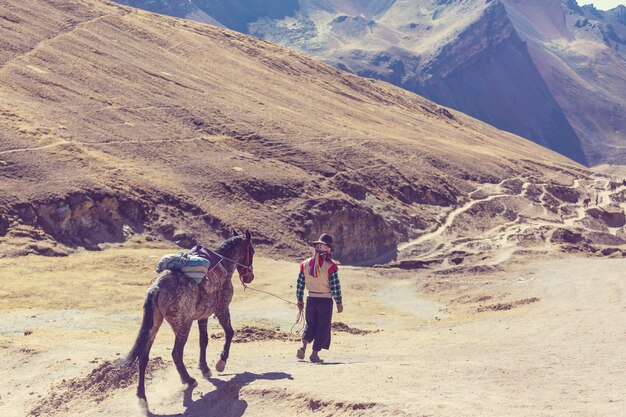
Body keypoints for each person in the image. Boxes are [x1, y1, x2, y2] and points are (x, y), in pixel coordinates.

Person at [295, 233, 343, 363]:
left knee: (310, 325)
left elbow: (300, 284)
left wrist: (299, 300)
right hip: (325, 301)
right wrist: (339, 302)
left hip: (311, 299)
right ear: (327, 249)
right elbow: (335, 286)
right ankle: (314, 354)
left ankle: (303, 346)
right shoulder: (331, 266)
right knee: (323, 327)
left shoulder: (305, 264)